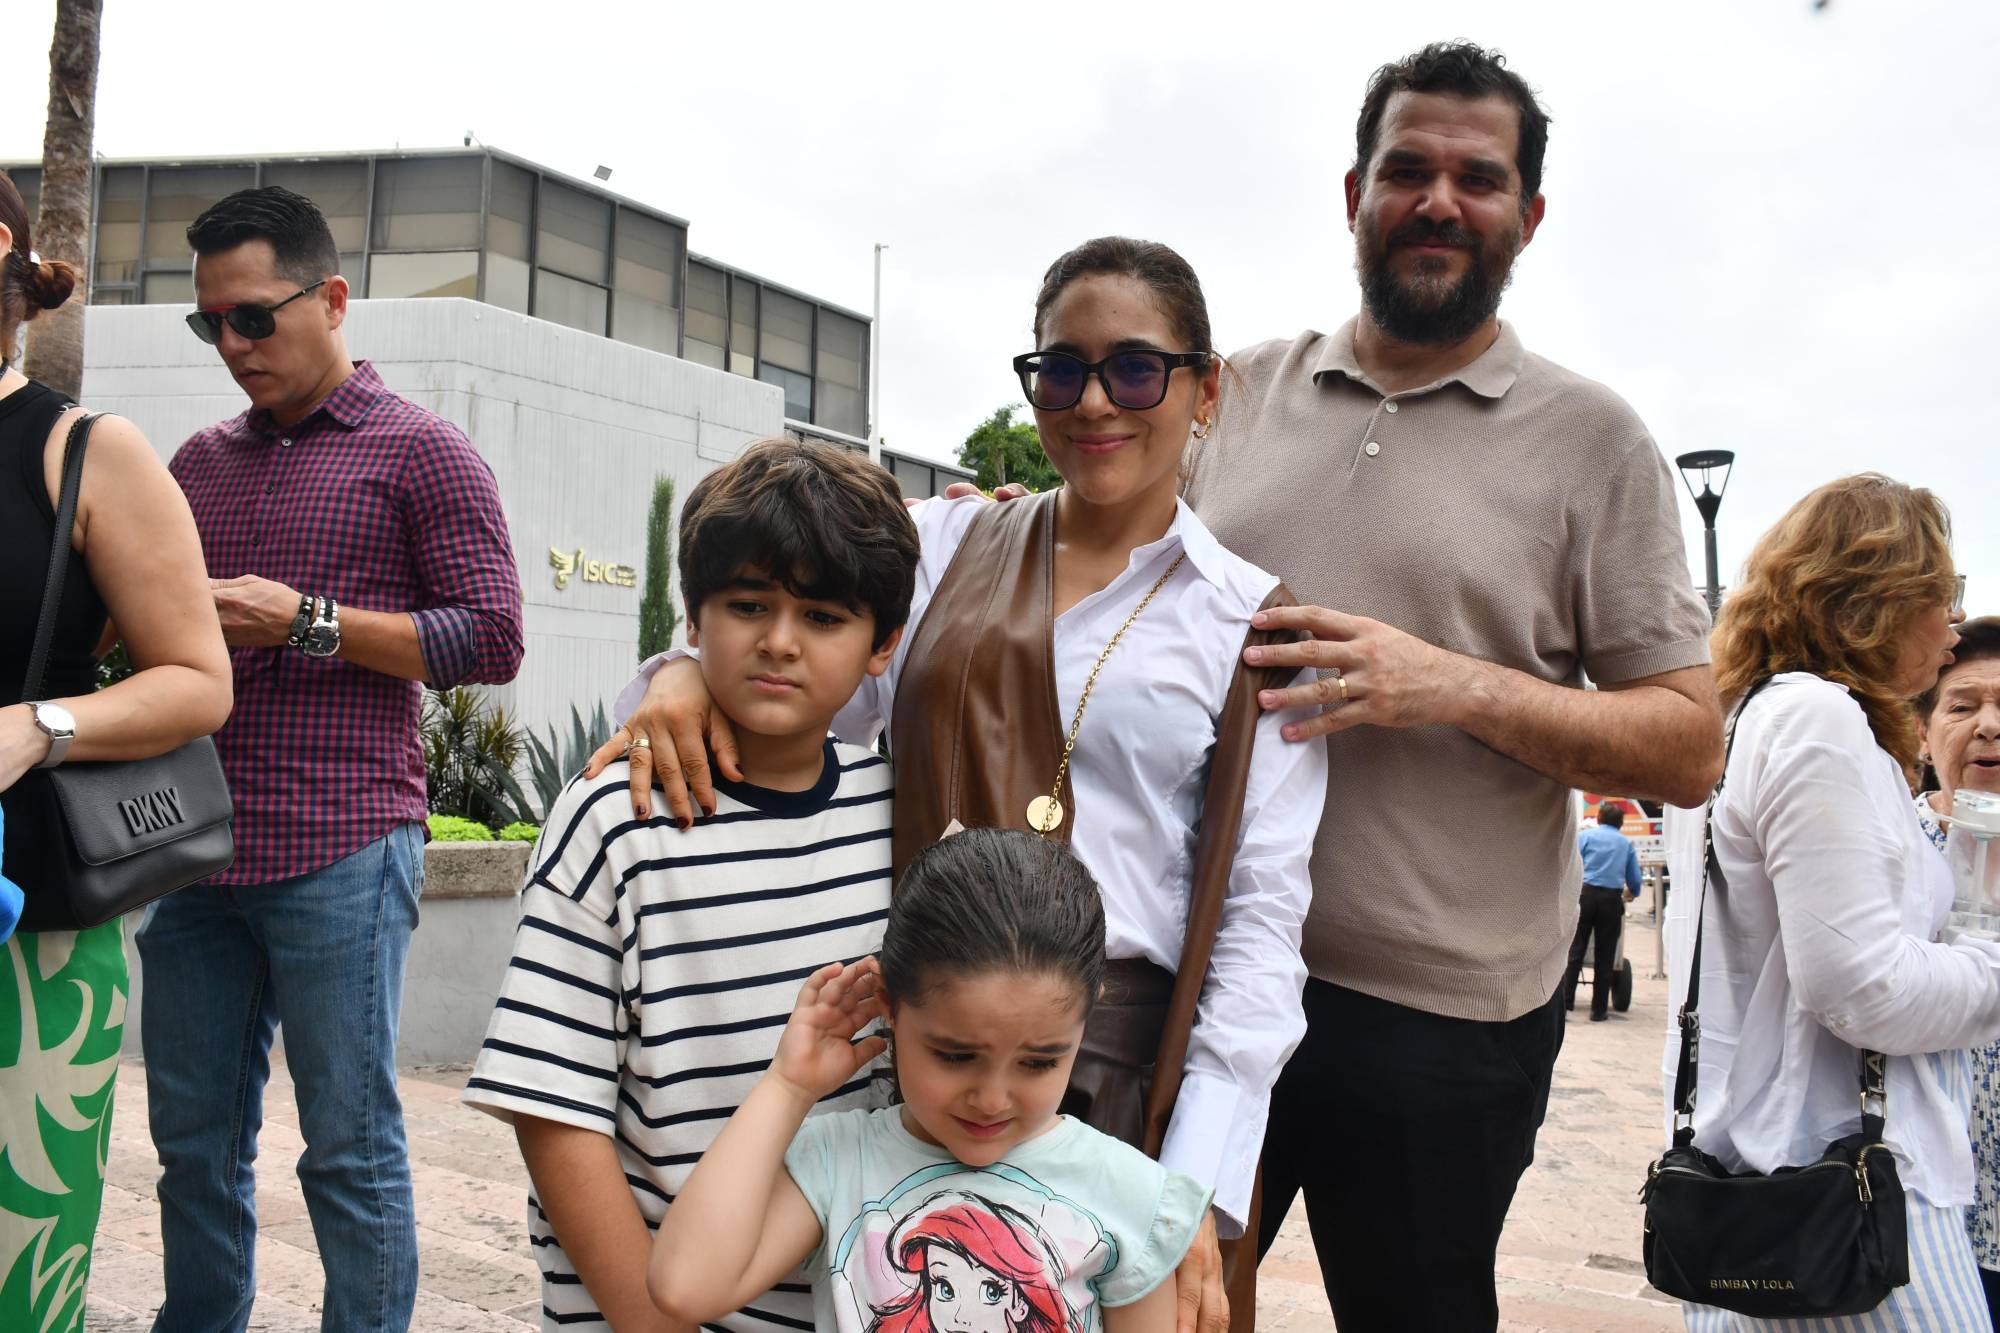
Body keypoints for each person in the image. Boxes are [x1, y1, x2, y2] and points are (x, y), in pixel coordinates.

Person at [600, 237, 1327, 1333]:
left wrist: (1197, 1199)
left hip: (1108, 1071)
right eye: (1061, 369)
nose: (1094, 402)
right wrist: (675, 678)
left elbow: (1259, 932)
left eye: (1135, 369)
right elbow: (794, 675)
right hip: (911, 1059)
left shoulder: (1251, 622)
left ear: (1205, 386)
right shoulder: (941, 542)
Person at [1120, 42, 1723, 1330]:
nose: (1438, 200)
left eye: (1477, 177)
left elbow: (1684, 747)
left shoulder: (1593, 442)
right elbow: (1102, 583)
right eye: (1407, 169)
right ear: (1354, 195)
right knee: (1157, 1309)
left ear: (1527, 216)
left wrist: (1446, 683)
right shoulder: (1234, 395)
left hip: (1440, 1018)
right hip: (1214, 973)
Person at [141, 185, 523, 1331]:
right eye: (212, 325)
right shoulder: (196, 461)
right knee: (190, 1146)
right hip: (194, 848)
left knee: (348, 1148)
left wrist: (306, 618)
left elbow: (491, 636)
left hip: (343, 846)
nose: (234, 347)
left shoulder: (423, 453)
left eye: (255, 317)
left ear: (334, 298)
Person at [463, 438, 920, 1332]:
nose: (780, 642)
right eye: (748, 605)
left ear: (883, 644)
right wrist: (649, 1317)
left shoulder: (900, 815)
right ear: (694, 613)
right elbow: (554, 1108)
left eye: (824, 616)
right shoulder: (616, 819)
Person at [1662, 475, 2000, 1330]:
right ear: (1879, 601)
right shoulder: (1819, 720)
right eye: (1942, 596)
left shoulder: (1739, 721)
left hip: (1756, 1191)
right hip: (1853, 1210)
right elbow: (1860, 986)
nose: (1951, 626)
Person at [648, 828, 1210, 1333]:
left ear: (1087, 1019)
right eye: (955, 1056)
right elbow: (685, 1287)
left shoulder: (1130, 1193)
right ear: (889, 1006)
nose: (991, 1099)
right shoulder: (838, 1162)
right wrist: (788, 1087)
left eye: (1038, 1062)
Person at [0, 169, 231, 1332]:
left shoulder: (82, 450)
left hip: (25, 939)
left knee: (13, 1278)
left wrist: (37, 727)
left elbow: (198, 680)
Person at [1913, 610, 2000, 1321]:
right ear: (1922, 730)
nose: (1989, 725)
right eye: (1963, 705)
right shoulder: (1885, 845)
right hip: (1912, 1215)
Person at [1562, 802, 1642, 1021]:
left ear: (1598, 819)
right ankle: (1598, 1010)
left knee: (1576, 951)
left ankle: (1566, 1004)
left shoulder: (1586, 838)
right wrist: (1633, 891)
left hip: (1585, 896)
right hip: (1610, 899)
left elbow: (1570, 863)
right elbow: (1634, 880)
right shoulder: (1626, 844)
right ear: (1621, 823)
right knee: (1605, 955)